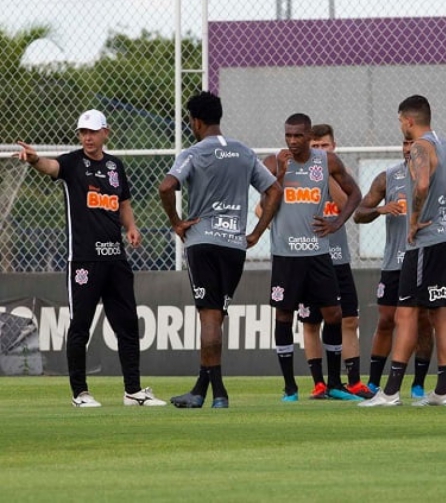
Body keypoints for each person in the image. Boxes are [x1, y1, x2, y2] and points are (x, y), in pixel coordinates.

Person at [16, 110, 166, 408]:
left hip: (115, 259)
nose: (87, 136)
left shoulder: (114, 166)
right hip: (84, 260)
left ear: (105, 133)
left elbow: (122, 201)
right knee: (80, 326)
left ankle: (133, 392)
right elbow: (50, 166)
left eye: (92, 131)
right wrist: (34, 159)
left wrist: (132, 227)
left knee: (127, 325)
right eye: (83, 131)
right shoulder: (73, 162)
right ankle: (80, 393)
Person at [159, 91, 282, 409]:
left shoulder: (194, 152)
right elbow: (274, 190)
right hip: (234, 244)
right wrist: (257, 231)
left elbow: (166, 186)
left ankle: (221, 394)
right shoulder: (244, 151)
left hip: (203, 241)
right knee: (217, 315)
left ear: (195, 121)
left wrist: (176, 222)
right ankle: (200, 391)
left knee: (209, 317)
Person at [360, 95, 446, 407]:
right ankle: (443, 391)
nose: (401, 126)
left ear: (409, 120)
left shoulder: (419, 147)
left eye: (401, 121)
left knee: (406, 313)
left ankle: (390, 393)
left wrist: (414, 221)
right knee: (441, 313)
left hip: (425, 242)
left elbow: (423, 184)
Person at [263, 113, 363, 402]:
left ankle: (334, 383)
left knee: (334, 315)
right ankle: (290, 388)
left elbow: (354, 193)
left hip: (319, 253)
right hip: (286, 254)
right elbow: (262, 203)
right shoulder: (274, 162)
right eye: (288, 135)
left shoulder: (326, 162)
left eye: (298, 136)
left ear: (309, 136)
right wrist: (279, 176)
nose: (292, 141)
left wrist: (337, 223)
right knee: (284, 314)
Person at [297, 124, 369, 399]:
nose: (319, 151)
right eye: (315, 146)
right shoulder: (296, 176)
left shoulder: (341, 176)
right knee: (311, 323)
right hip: (306, 258)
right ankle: (319, 383)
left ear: (333, 147)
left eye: (324, 146)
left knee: (349, 319)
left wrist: (326, 176)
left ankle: (353, 381)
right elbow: (264, 207)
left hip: (338, 260)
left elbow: (344, 205)